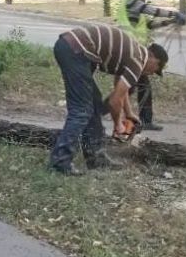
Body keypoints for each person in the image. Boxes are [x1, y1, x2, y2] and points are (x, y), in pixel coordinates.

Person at [49, 24, 168, 175]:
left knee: (94, 104)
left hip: (72, 46)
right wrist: (118, 125)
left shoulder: (133, 52)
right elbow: (114, 101)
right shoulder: (138, 60)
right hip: (76, 50)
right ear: (152, 57)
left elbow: (120, 89)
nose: (152, 73)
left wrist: (129, 113)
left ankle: (96, 158)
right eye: (156, 68)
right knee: (82, 110)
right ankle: (60, 162)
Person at [114, 0, 186, 131]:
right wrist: (174, 13)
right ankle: (105, 112)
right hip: (130, 52)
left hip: (136, 52)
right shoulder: (131, 2)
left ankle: (145, 120)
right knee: (128, 88)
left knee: (142, 86)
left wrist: (171, 21)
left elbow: (150, 24)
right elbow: (151, 11)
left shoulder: (134, 8)